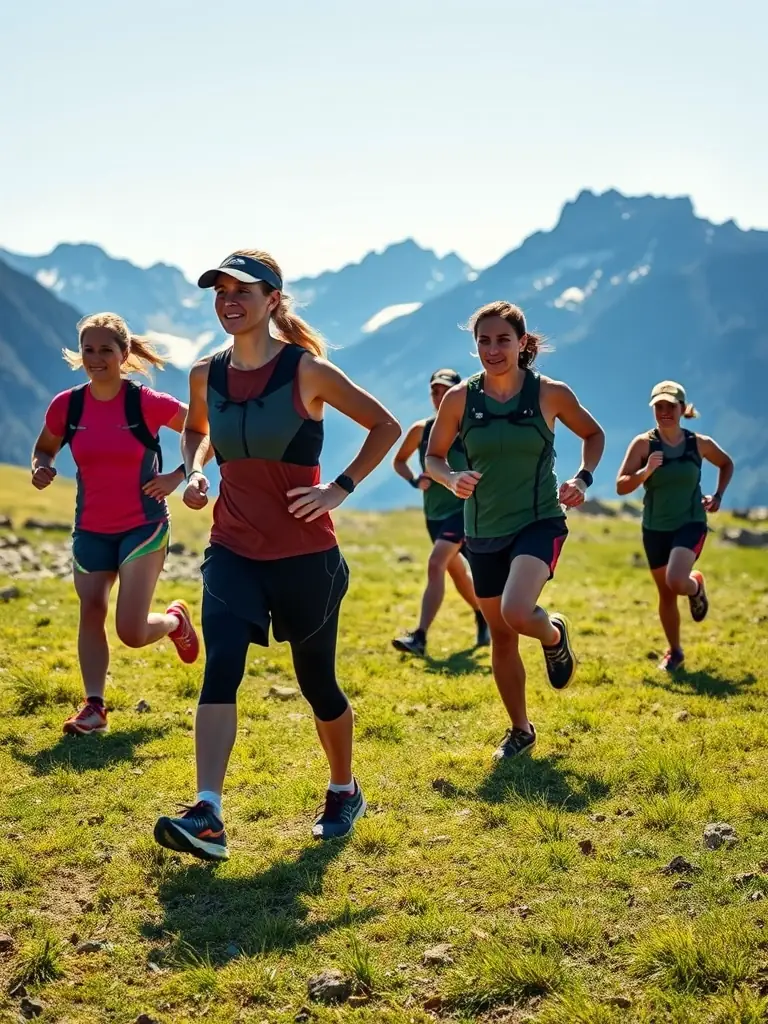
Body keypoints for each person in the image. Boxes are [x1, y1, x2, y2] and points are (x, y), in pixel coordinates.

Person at [153, 249, 401, 862]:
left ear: (273, 301)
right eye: (220, 291)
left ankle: (343, 788)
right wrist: (194, 468)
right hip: (231, 547)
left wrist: (337, 489)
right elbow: (197, 428)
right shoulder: (204, 374)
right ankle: (207, 811)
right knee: (221, 670)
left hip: (304, 556)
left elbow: (385, 426)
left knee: (317, 682)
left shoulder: (306, 371)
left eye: (244, 290)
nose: (229, 300)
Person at [425, 301, 604, 760]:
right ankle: (521, 730)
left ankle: (553, 635)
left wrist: (582, 478)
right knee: (502, 635)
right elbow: (434, 456)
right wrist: (449, 478)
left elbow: (594, 434)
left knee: (517, 612)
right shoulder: (459, 399)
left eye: (502, 339)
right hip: (482, 530)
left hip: (539, 520)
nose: (492, 349)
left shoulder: (550, 393)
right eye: (483, 340)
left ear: (522, 343)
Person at [31, 312, 200, 736]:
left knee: (130, 630)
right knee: (91, 609)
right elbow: (45, 448)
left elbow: (203, 431)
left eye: (106, 350)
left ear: (124, 354)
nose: (96, 358)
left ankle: (175, 622)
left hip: (142, 526)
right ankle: (94, 707)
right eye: (89, 349)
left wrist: (178, 477)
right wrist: (41, 467)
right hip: (90, 528)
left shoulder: (143, 402)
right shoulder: (67, 405)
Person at [616, 380, 733, 672]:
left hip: (690, 523)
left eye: (670, 406)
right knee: (667, 594)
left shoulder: (699, 444)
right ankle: (675, 652)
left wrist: (718, 496)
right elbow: (621, 486)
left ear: (682, 408)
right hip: (655, 528)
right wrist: (646, 471)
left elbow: (726, 463)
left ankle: (695, 587)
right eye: (659, 406)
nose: (664, 412)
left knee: (677, 581)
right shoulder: (644, 444)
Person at [391, 368, 489, 655]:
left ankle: (419, 637)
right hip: (433, 515)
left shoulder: (471, 430)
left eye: (445, 390)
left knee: (436, 564)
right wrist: (414, 479)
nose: (438, 395)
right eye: (434, 390)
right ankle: (483, 615)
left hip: (463, 510)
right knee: (457, 574)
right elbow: (399, 461)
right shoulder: (421, 430)